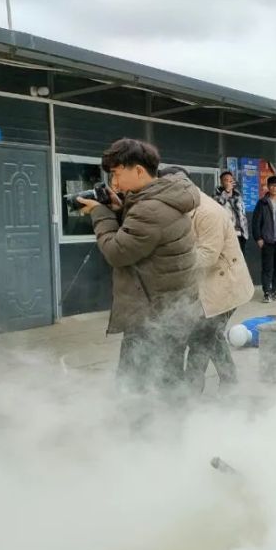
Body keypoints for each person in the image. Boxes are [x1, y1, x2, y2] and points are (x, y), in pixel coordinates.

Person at [78, 138, 199, 396]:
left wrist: (100, 214)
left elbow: (117, 251)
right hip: (171, 311)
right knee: (167, 381)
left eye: (117, 174)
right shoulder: (165, 197)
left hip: (152, 316)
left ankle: (143, 432)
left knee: (136, 387)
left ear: (139, 170)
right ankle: (174, 429)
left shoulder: (149, 209)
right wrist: (119, 209)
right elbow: (145, 236)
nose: (115, 184)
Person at [160, 166, 254, 393]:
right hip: (205, 286)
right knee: (211, 334)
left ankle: (191, 392)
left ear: (182, 186)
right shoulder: (184, 208)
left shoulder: (208, 212)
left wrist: (170, 263)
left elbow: (207, 257)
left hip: (224, 287)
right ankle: (230, 380)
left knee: (200, 338)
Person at [214, 171, 249, 251]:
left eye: (231, 180)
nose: (229, 182)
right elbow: (218, 206)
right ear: (221, 182)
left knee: (240, 260)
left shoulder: (238, 196)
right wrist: (226, 192)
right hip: (226, 235)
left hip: (241, 234)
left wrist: (245, 233)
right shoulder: (216, 196)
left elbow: (243, 214)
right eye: (226, 180)